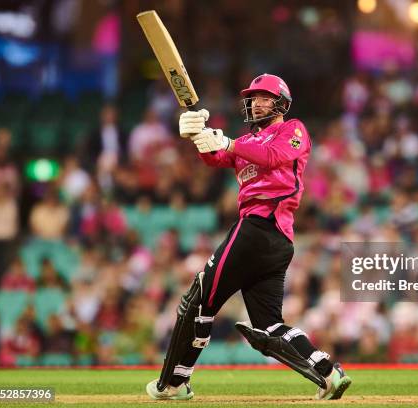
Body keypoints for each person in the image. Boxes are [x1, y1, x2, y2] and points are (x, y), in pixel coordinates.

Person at [145, 74, 351, 400]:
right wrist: (196, 134)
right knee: (269, 325)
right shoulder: (248, 141)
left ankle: (173, 383)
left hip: (259, 226)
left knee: (198, 303)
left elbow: (271, 156)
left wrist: (226, 142)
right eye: (253, 97)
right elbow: (216, 157)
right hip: (275, 241)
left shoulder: (292, 129)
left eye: (264, 97)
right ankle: (327, 373)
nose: (256, 102)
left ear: (281, 102)